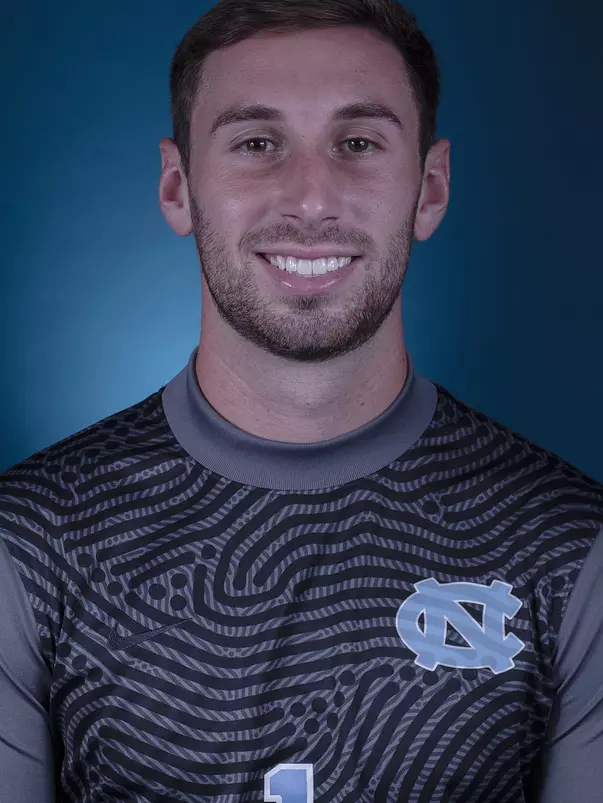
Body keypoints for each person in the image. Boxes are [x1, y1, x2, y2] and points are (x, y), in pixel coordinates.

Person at [1, 0, 602, 800]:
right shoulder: (29, 543)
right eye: (257, 143)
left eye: (357, 144)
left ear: (429, 189)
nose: (311, 200)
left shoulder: (570, 547)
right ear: (178, 187)